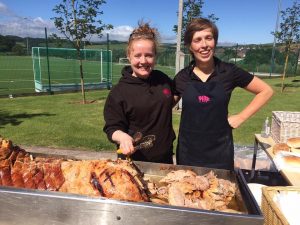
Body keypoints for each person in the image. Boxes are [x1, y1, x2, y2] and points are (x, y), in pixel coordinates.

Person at [173, 18, 274, 170]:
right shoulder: (182, 77)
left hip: (220, 152)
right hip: (188, 152)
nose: (204, 45)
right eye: (197, 40)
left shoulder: (229, 72)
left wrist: (240, 117)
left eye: (209, 38)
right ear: (190, 46)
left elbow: (266, 91)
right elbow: (162, 106)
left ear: (215, 41)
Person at [103, 21, 175, 164]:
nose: (143, 61)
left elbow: (172, 96)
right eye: (137, 55)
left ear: (155, 56)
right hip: (133, 161)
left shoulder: (162, 79)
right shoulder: (119, 92)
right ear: (129, 56)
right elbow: (112, 128)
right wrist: (122, 137)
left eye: (148, 55)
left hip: (165, 158)